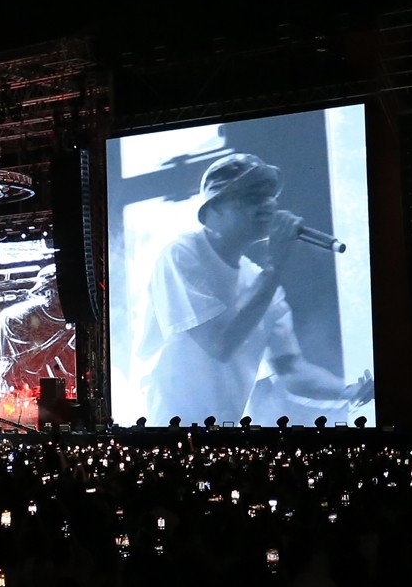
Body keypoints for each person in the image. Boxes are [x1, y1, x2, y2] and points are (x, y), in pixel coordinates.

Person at [135, 153, 373, 425]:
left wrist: (346, 391)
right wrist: (275, 266)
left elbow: (291, 369)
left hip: (224, 429)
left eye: (269, 195)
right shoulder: (181, 255)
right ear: (213, 210)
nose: (268, 205)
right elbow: (220, 345)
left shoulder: (259, 280)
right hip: (168, 428)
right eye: (252, 196)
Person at [0, 263, 77, 396]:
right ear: (47, 291)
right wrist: (66, 334)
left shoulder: (71, 318)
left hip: (52, 397)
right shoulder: (16, 317)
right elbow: (30, 364)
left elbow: (71, 367)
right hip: (16, 397)